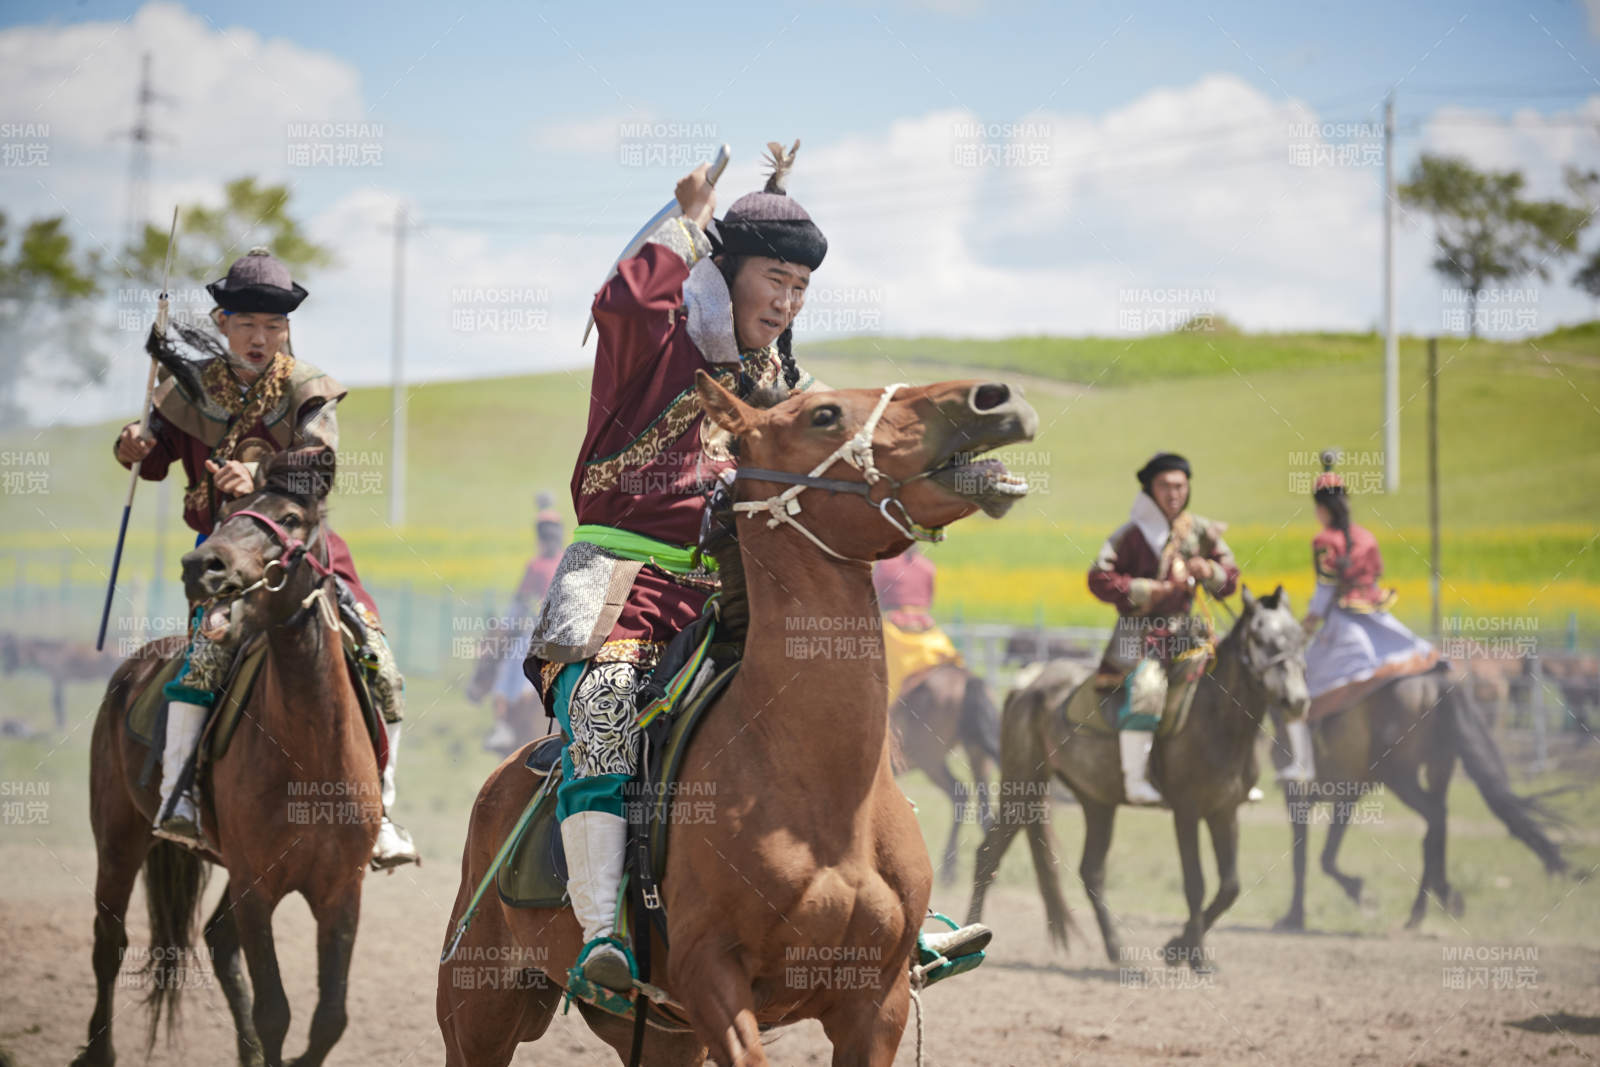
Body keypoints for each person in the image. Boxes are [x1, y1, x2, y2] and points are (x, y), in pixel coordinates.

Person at [524, 143, 831, 991]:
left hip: (725, 596)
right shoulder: (651, 347)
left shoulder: (780, 380)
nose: (787, 300)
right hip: (617, 585)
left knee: (830, 691)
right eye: (774, 277)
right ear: (725, 272)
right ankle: (597, 933)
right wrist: (690, 219)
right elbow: (621, 299)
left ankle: (878, 908)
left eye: (800, 288)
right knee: (607, 709)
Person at [114, 247, 418, 868]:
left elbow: (318, 467)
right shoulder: (185, 392)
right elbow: (151, 462)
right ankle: (180, 796)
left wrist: (254, 473)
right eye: (248, 324)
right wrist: (132, 444)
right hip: (225, 556)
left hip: (302, 553)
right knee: (200, 663)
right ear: (222, 322)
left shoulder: (309, 390)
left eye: (273, 327)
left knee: (382, 666)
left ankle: (381, 809)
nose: (261, 338)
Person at [1087, 452, 1239, 804]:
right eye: (1165, 486)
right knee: (1147, 690)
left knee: (1228, 686)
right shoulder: (1131, 534)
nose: (1174, 494)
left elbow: (1230, 579)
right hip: (1141, 635)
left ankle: (1227, 774)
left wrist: (1209, 572)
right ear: (1150, 489)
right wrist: (1146, 590)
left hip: (1192, 633)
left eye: (1180, 486)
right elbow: (1098, 578)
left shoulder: (1201, 531)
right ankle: (1135, 780)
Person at [1301, 452, 1438, 736]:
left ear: (1322, 508)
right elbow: (1376, 573)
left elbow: (1325, 591)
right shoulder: (1367, 536)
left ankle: (1300, 758)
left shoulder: (1324, 540)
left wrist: (1305, 628)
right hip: (1378, 617)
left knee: (1304, 684)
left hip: (1344, 622)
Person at [484, 494, 564, 752]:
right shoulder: (567, 562)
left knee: (507, 672)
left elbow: (518, 605)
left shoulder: (536, 565)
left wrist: (508, 627)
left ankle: (503, 727)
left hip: (537, 633)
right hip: (568, 631)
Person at [873, 544, 963, 708]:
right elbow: (930, 600)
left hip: (894, 626)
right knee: (950, 657)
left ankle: (885, 703)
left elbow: (874, 595)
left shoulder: (885, 564)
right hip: (926, 628)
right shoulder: (927, 566)